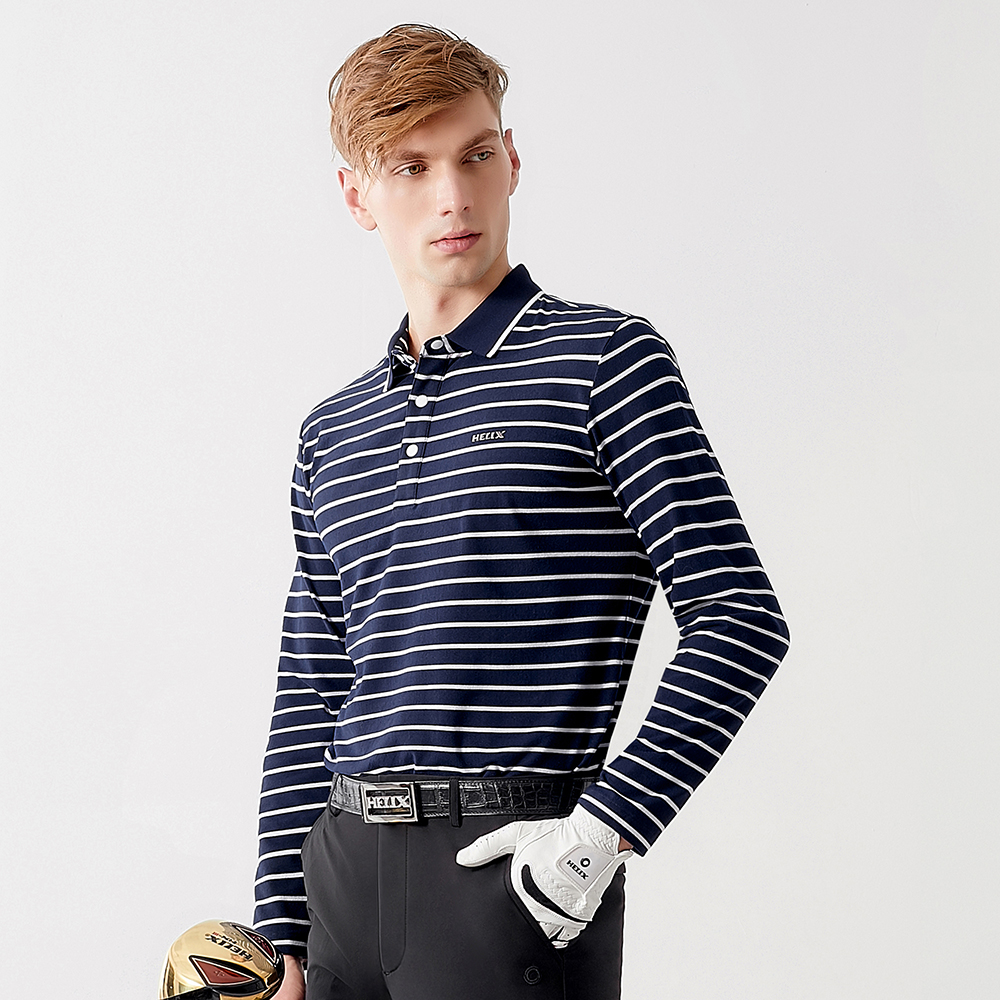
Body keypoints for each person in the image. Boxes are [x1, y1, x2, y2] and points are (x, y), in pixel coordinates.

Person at [253, 23, 789, 1000]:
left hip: (506, 871)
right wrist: (278, 929)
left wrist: (605, 828)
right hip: (341, 878)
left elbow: (740, 619)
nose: (452, 196)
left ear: (510, 159)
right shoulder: (333, 430)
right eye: (410, 167)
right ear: (356, 195)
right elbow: (311, 687)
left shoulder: (606, 363)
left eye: (473, 155)